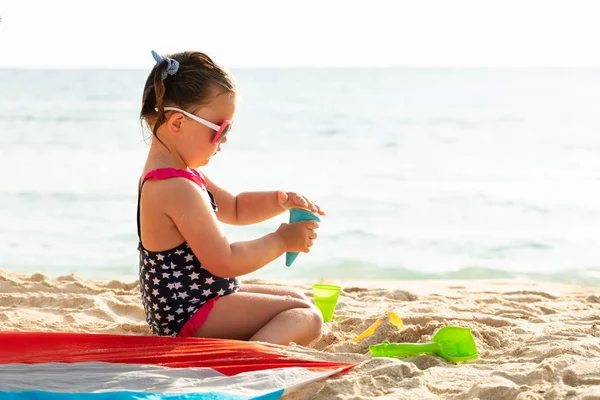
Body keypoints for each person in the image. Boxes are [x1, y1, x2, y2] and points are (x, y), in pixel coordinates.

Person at [136, 50, 325, 346]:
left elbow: (235, 207)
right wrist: (282, 241)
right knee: (307, 317)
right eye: (221, 129)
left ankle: (252, 346)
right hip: (188, 317)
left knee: (298, 300)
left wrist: (280, 200)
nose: (224, 140)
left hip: (197, 302)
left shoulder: (179, 174)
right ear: (177, 124)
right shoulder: (174, 187)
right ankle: (247, 359)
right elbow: (225, 261)